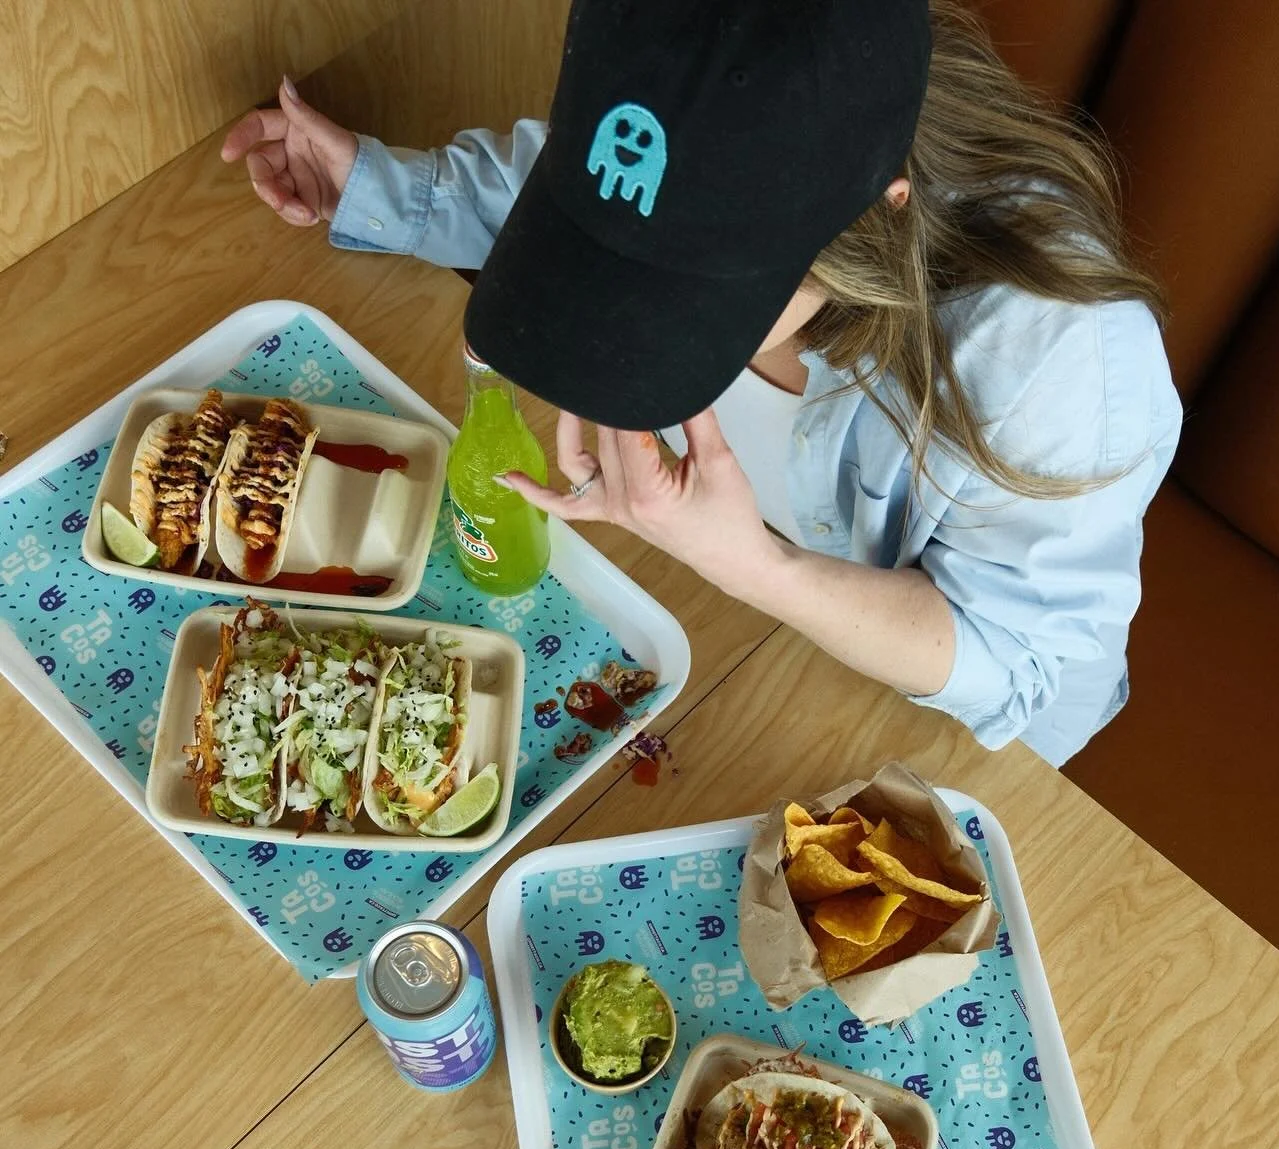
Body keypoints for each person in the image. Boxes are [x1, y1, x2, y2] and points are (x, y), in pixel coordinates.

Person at [221, 0, 1181, 766]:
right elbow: (573, 185)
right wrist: (374, 186)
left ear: (877, 215)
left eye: (694, 284)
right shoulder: (694, 85)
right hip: (715, 615)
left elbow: (1016, 669)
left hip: (951, 723)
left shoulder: (1058, 357)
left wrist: (754, 567)